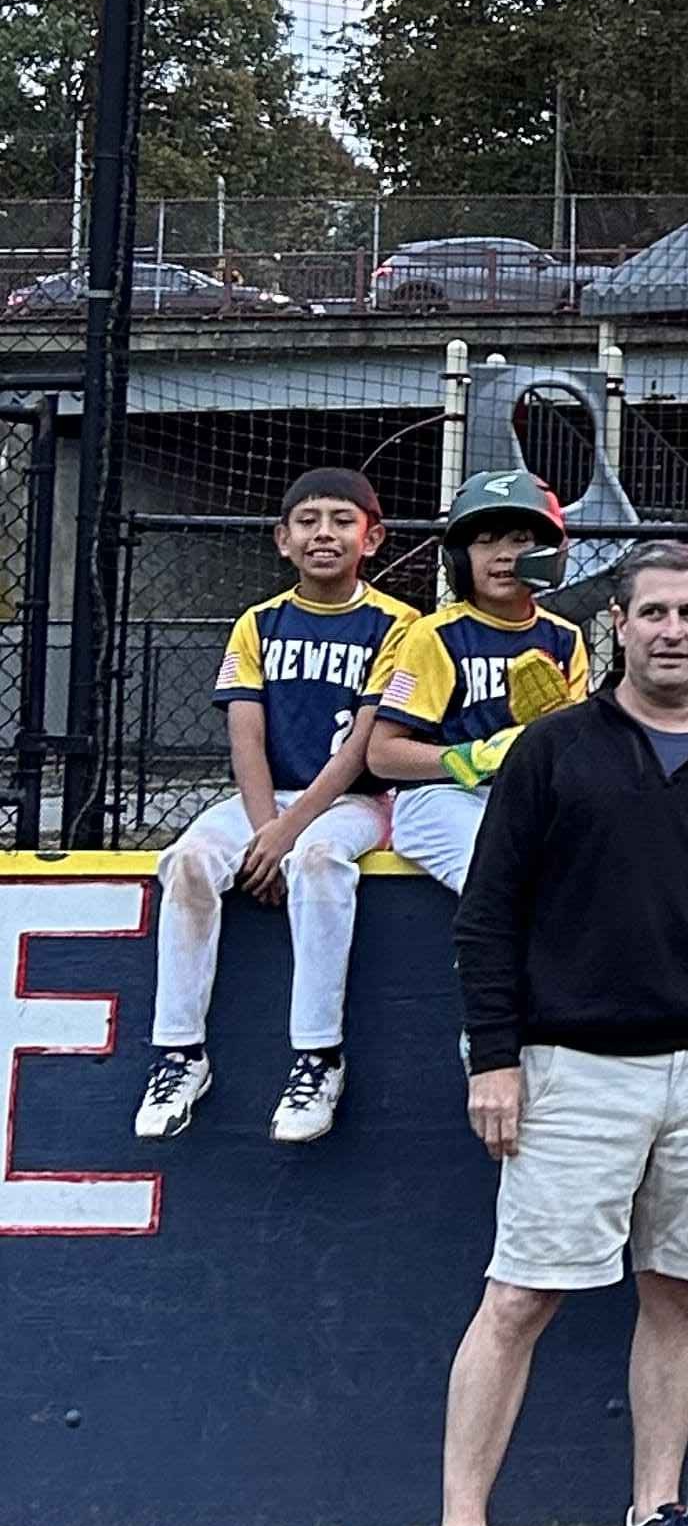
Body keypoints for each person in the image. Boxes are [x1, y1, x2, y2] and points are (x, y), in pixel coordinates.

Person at [419, 536, 688, 1526]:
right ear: (619, 629)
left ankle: (655, 1519)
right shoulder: (553, 751)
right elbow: (488, 913)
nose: (673, 631)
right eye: (654, 614)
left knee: (680, 1288)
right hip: (570, 1070)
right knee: (520, 1297)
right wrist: (492, 1055)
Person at [135, 468, 405, 1147]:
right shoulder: (257, 623)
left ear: (373, 538)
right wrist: (264, 830)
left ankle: (318, 1057)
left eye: (343, 520)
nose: (325, 533)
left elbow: (361, 751)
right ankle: (179, 1053)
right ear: (282, 540)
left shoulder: (398, 625)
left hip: (354, 801)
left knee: (316, 858)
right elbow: (245, 736)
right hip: (266, 801)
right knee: (190, 858)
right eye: (308, 520)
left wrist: (287, 833)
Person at [364, 467, 590, 896]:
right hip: (441, 798)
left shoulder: (565, 638)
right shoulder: (435, 635)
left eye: (520, 539)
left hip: (529, 801)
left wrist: (553, 741)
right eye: (484, 541)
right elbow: (382, 754)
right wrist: (472, 758)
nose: (502, 554)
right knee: (501, 874)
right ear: (459, 557)